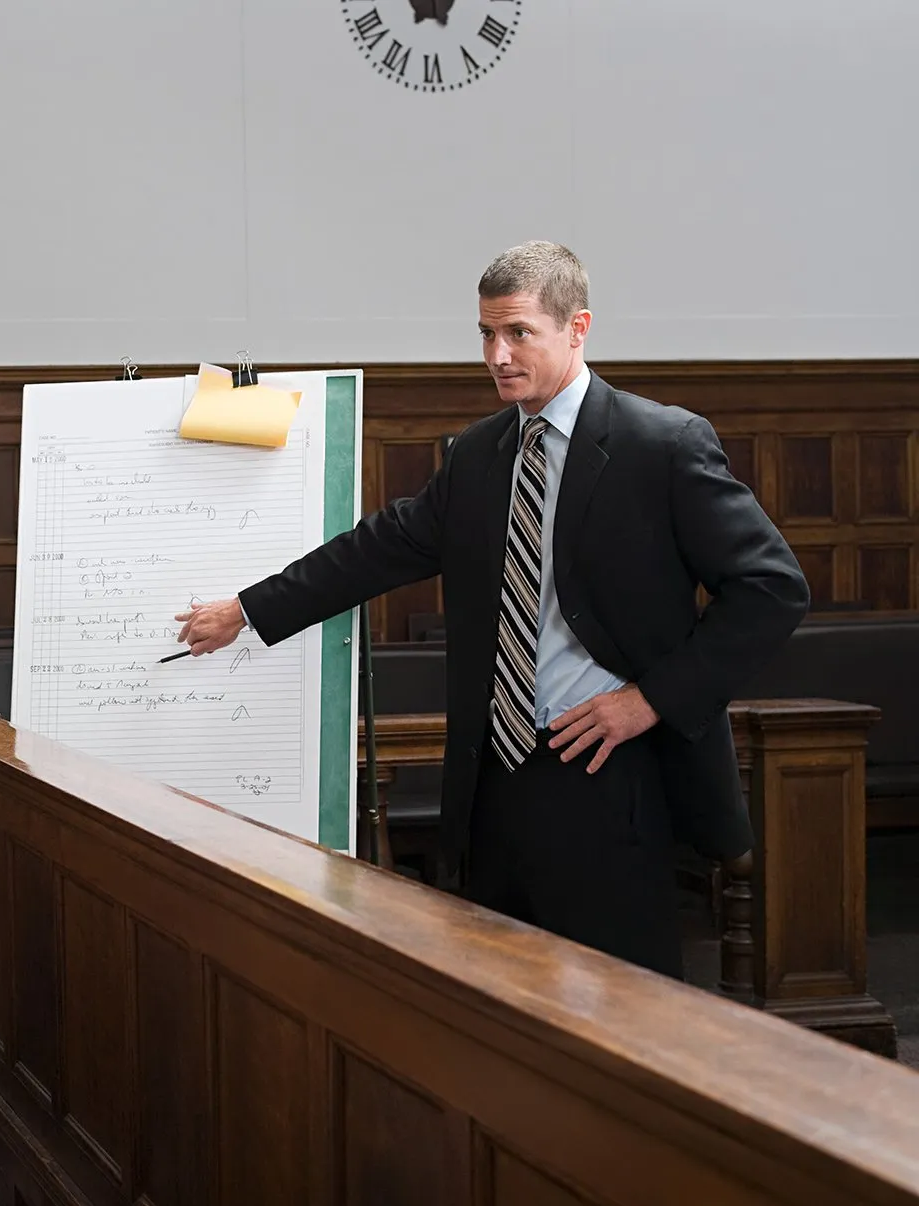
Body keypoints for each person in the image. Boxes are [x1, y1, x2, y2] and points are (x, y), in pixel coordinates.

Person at [175, 242, 809, 977]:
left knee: (616, 1014)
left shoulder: (660, 444)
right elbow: (377, 549)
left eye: (518, 333)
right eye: (485, 334)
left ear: (578, 328)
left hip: (614, 772)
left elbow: (772, 588)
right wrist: (246, 612)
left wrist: (648, 702)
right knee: (501, 1001)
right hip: (493, 777)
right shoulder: (479, 454)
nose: (498, 355)